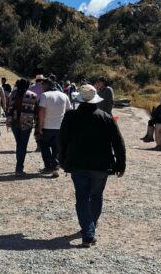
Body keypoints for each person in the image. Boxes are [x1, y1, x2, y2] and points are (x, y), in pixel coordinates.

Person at [59, 84, 126, 248]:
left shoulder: (70, 117)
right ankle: (91, 226)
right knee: (96, 195)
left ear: (79, 100)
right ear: (95, 100)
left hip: (77, 164)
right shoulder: (105, 117)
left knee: (81, 197)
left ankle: (88, 232)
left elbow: (61, 141)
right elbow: (118, 143)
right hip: (101, 165)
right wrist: (120, 164)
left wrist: (62, 161)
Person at [37, 78, 71, 177]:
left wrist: (40, 126)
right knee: (57, 148)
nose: (41, 88)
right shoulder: (64, 95)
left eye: (42, 86)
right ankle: (55, 166)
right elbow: (69, 111)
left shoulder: (44, 96)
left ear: (47, 86)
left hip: (47, 126)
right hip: (60, 127)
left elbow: (42, 111)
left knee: (44, 147)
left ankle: (48, 167)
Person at [7, 79, 37, 176]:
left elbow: (8, 107)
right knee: (23, 146)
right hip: (26, 123)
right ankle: (19, 168)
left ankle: (18, 166)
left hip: (14, 122)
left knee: (19, 144)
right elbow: (35, 110)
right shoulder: (32, 95)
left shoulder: (13, 94)